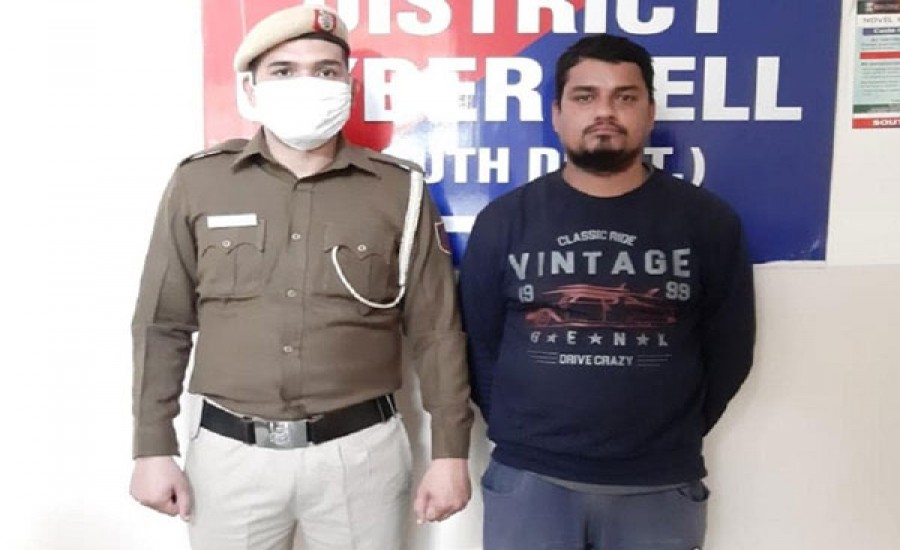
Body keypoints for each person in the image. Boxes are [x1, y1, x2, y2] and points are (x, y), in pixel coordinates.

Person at [128, 5, 473, 549]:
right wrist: (152, 446)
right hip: (230, 457)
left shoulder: (399, 189)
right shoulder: (200, 182)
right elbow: (161, 323)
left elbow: (437, 331)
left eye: (325, 70)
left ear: (348, 88)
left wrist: (451, 452)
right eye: (284, 70)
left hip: (361, 456)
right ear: (252, 89)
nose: (307, 83)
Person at [459, 34, 755, 549]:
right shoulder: (504, 221)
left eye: (625, 96)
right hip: (531, 480)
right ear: (556, 114)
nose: (605, 112)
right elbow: (478, 345)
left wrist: (663, 433)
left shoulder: (709, 222)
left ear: (650, 112)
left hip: (659, 483)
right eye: (585, 96)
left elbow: (730, 350)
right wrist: (526, 432)